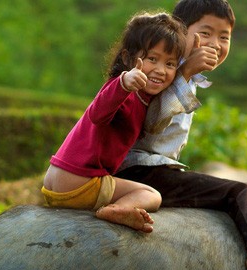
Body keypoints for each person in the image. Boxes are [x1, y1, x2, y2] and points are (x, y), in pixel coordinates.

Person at [114, 0, 247, 270]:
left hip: (152, 167)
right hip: (143, 170)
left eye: (224, 36)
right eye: (205, 32)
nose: (215, 43)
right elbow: (150, 124)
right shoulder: (165, 70)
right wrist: (184, 73)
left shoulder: (181, 72)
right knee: (241, 193)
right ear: (180, 31)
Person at [41, 12, 186, 233]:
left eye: (170, 64)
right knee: (151, 195)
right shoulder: (122, 90)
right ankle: (117, 209)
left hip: (57, 177)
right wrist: (123, 83)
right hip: (80, 181)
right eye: (152, 59)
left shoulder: (143, 99)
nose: (160, 70)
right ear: (128, 59)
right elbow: (98, 113)